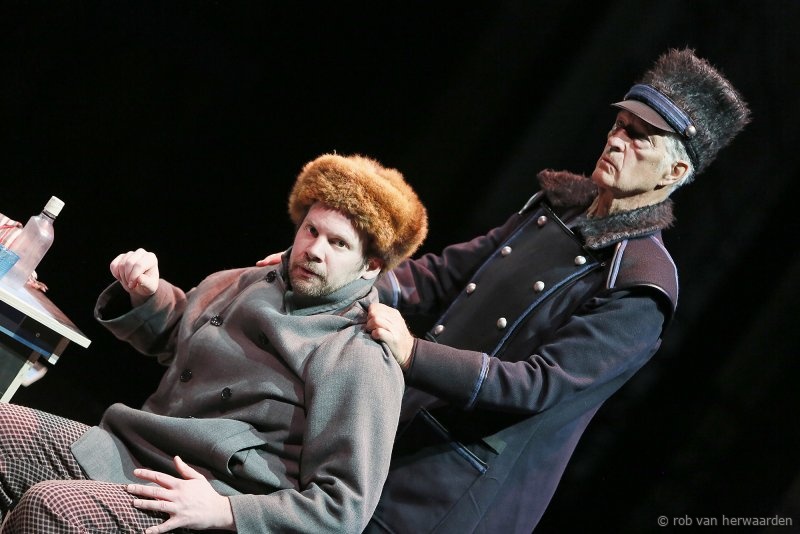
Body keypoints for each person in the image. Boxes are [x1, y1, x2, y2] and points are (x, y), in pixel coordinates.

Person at [259, 48, 750, 532]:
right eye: (620, 124)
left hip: (450, 487)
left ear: (674, 173)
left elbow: (537, 385)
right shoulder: (556, 208)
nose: (617, 140)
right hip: (394, 428)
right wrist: (338, 278)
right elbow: (442, 276)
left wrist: (413, 353)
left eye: (640, 137)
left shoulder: (640, 283)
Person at [0, 153, 428, 533]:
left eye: (338, 243)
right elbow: (180, 339)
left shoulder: (359, 354)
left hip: (211, 502)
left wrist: (227, 511)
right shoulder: (249, 281)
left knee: (52, 508)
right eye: (311, 230)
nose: (315, 250)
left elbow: (342, 510)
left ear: (370, 266)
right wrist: (147, 294)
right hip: (135, 449)